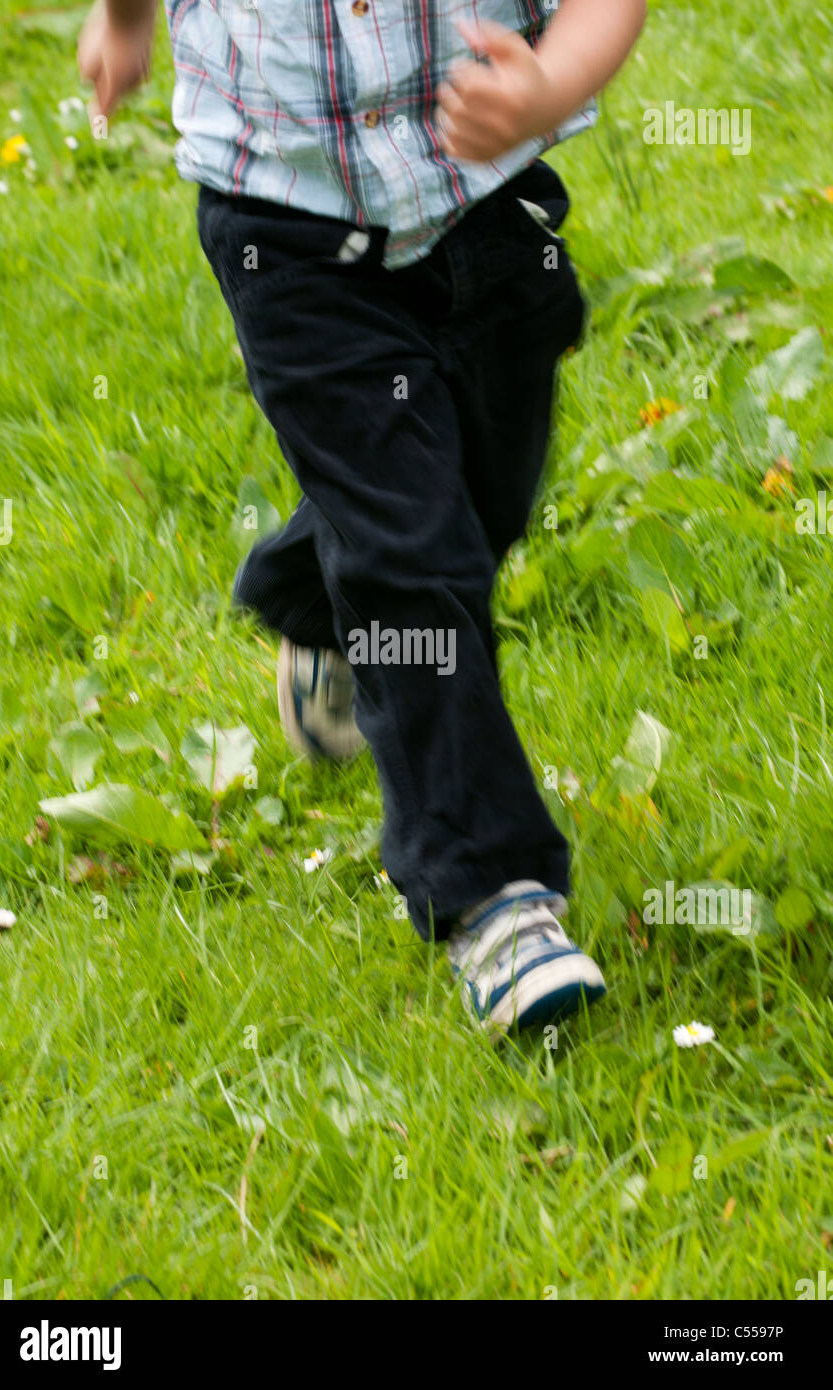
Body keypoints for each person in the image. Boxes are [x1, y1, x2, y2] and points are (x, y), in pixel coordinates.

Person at [78, 0, 647, 1030]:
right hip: (288, 232)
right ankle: (489, 892)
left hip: (487, 202)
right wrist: (124, 23)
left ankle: (316, 596)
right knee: (408, 552)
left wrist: (552, 83)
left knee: (481, 503)